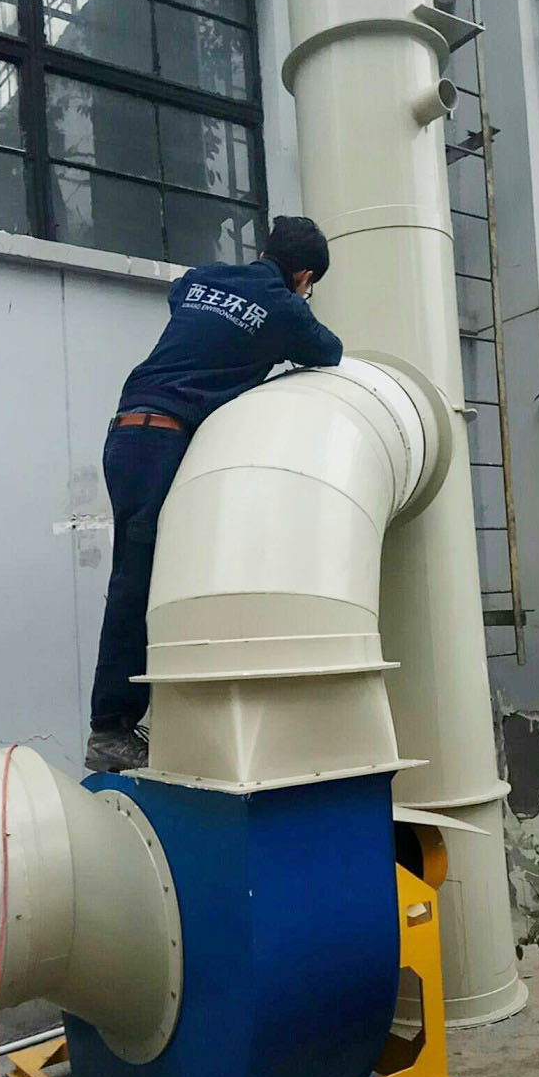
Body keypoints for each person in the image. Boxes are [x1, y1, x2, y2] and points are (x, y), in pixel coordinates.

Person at [85, 215, 344, 773]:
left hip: (129, 435)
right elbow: (329, 351)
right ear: (304, 276)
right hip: (160, 440)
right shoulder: (285, 308)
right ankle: (110, 729)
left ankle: (145, 717)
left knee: (153, 575)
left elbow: (181, 294)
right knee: (137, 583)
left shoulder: (203, 277)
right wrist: (284, 320)